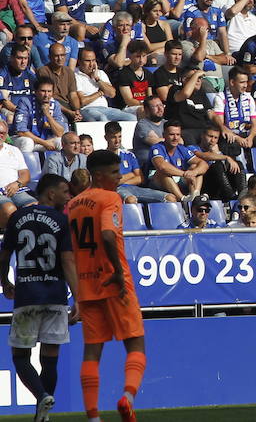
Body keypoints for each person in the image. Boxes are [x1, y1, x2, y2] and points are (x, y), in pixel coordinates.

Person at [68, 149, 146, 422]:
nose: (119, 177)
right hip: (115, 280)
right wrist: (114, 269)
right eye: (114, 172)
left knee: (92, 350)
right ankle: (128, 398)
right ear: (99, 175)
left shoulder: (74, 204)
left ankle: (92, 416)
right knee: (136, 344)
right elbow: (107, 234)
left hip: (87, 284)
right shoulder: (110, 198)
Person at [0, 173, 77, 419]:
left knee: (20, 356)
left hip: (27, 296)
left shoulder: (17, 217)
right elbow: (67, 261)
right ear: (50, 193)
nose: (68, 197)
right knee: (49, 359)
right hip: (55, 296)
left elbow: (4, 255)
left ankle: (42, 396)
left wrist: (4, 281)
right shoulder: (61, 220)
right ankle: (43, 412)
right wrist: (79, 298)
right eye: (65, 192)